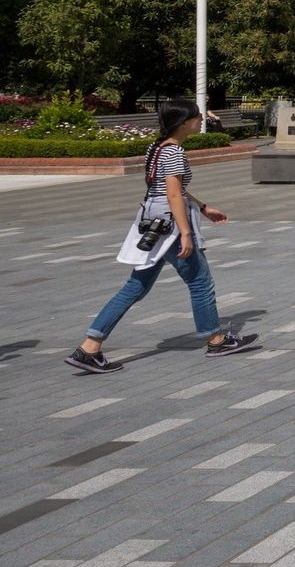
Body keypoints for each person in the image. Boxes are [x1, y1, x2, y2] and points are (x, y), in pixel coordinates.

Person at [67, 102, 260, 372]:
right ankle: (216, 340)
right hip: (171, 223)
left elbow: (169, 189)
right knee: (200, 282)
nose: (201, 119)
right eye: (196, 116)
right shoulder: (175, 152)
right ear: (183, 122)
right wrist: (185, 233)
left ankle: (90, 347)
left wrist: (203, 208)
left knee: (135, 286)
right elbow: (172, 194)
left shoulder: (157, 148)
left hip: (153, 221)